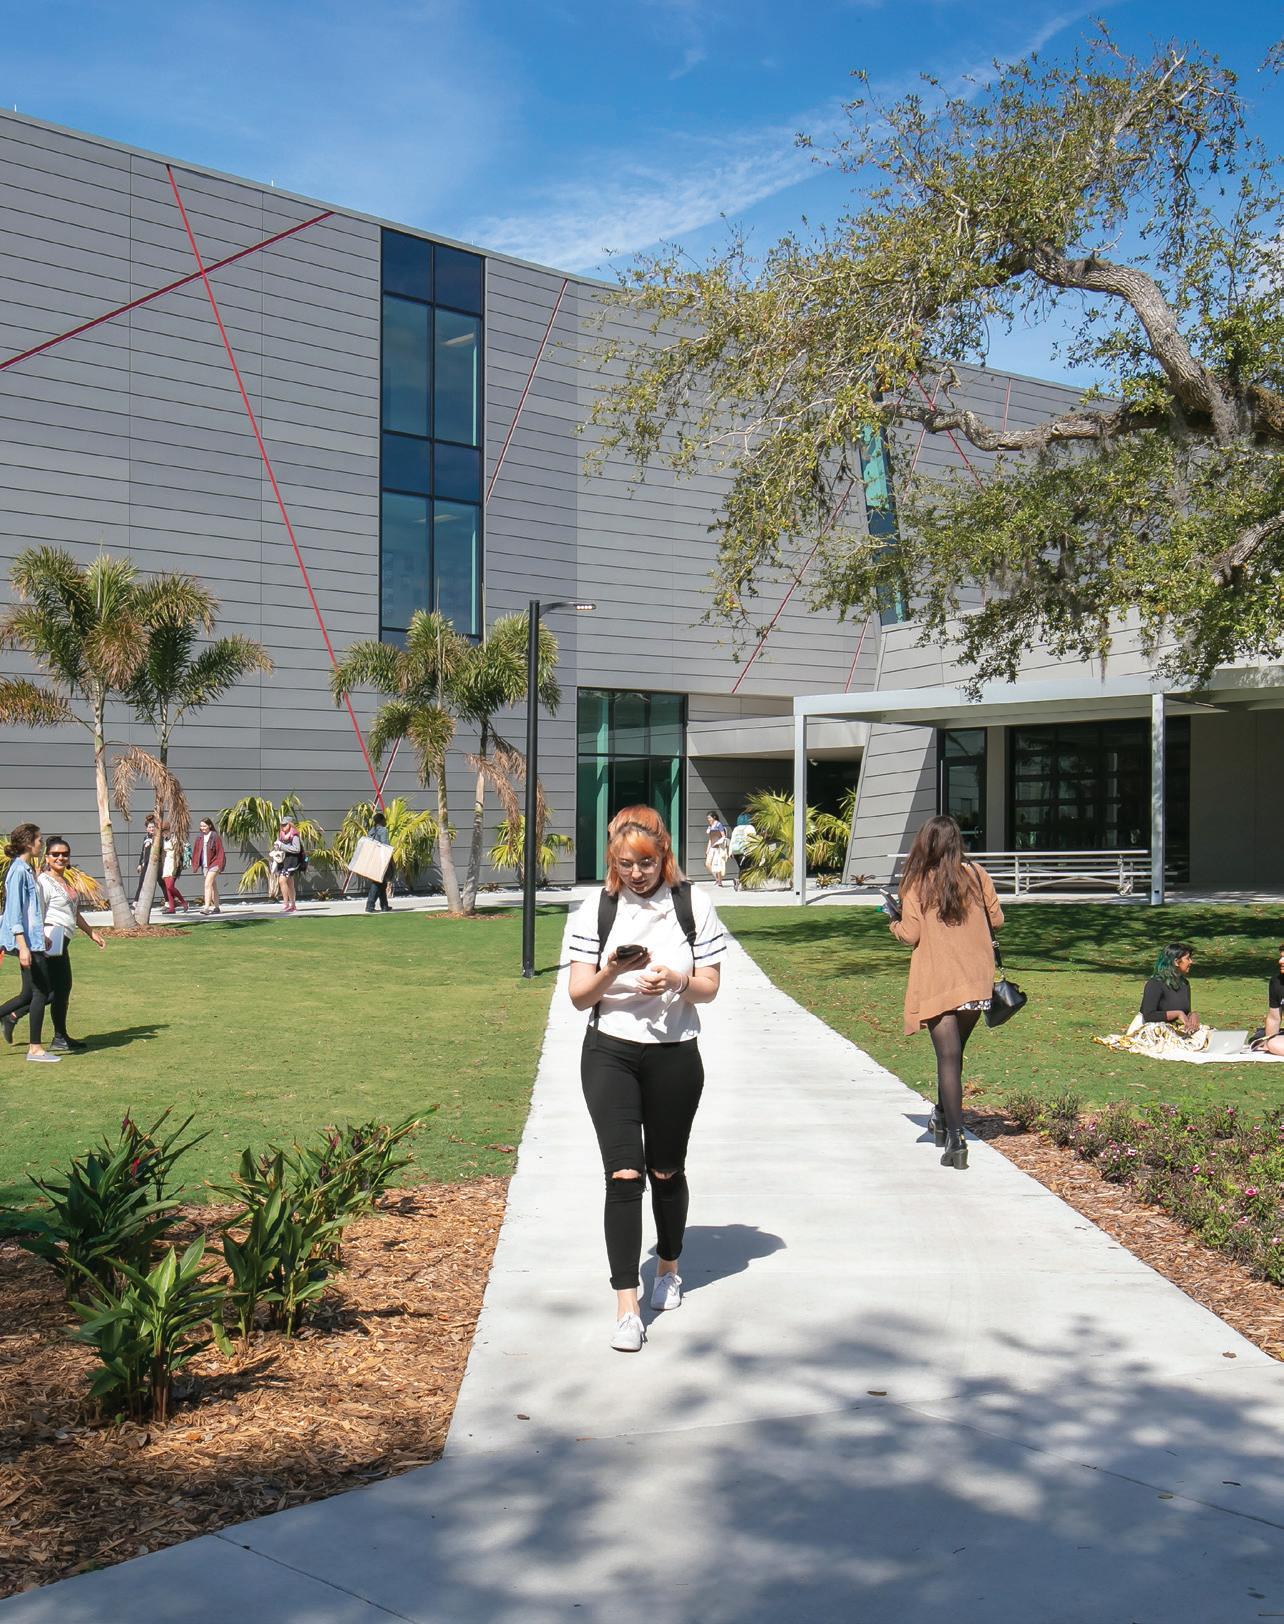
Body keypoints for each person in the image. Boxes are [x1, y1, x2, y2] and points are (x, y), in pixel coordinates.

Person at [567, 805, 727, 1353]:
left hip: (674, 1056)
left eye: (646, 863)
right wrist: (613, 969)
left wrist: (677, 979)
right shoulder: (596, 910)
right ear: (612, 861)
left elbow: (710, 986)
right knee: (623, 1175)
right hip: (609, 1052)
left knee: (665, 1170)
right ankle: (626, 1307)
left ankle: (669, 1266)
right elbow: (579, 996)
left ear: (664, 857)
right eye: (624, 864)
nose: (636, 874)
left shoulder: (692, 905)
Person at [887, 813, 1004, 1171]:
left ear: (926, 843)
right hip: (975, 980)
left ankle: (956, 1138)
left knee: (948, 1058)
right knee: (954, 1054)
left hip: (939, 980)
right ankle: (941, 1116)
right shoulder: (977, 874)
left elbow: (911, 934)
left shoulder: (916, 882)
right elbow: (997, 920)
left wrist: (892, 921)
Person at [35, 836, 105, 1052]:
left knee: (60, 988)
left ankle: (60, 1036)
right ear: (47, 857)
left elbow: (74, 913)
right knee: (48, 990)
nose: (60, 857)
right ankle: (12, 1016)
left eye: (65, 854)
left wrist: (91, 933)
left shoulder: (66, 880)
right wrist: (41, 936)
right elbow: (38, 912)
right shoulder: (43, 882)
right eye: (55, 854)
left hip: (62, 941)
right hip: (50, 940)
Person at [0, 824, 58, 1063]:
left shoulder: (26, 869)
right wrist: (23, 946)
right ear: (28, 842)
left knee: (29, 994)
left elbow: (30, 912)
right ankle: (35, 1049)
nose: (41, 844)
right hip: (26, 944)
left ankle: (9, 1017)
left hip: (33, 941)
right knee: (42, 992)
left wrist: (40, 934)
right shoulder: (18, 871)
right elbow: (14, 913)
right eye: (39, 839)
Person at [1139, 944, 1200, 1035]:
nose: (1191, 962)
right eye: (1188, 958)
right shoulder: (1154, 984)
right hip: (1154, 1031)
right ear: (1176, 962)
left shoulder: (1185, 984)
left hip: (1176, 1029)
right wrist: (1177, 1013)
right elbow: (1148, 1015)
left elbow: (1185, 1012)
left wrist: (1193, 1015)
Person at [192, 818, 226, 915]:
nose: (202, 828)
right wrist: (195, 863)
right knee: (213, 885)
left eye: (204, 826)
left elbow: (220, 851)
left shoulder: (214, 836)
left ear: (209, 826)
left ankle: (206, 907)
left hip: (214, 864)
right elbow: (196, 852)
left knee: (207, 884)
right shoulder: (199, 837)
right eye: (201, 826)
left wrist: (220, 864)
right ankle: (217, 907)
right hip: (205, 865)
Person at [365, 811, 393, 913]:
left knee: (382, 882)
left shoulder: (371, 831)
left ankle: (384, 906)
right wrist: (390, 859)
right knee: (377, 882)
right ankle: (369, 906)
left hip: (373, 858)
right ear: (381, 820)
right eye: (385, 820)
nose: (386, 822)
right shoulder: (383, 830)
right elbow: (385, 846)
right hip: (381, 859)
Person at [273, 819, 304, 914]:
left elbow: (297, 849)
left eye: (285, 825)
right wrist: (277, 846)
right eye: (282, 825)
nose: (283, 827)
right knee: (290, 883)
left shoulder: (294, 835)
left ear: (290, 824)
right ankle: (293, 905)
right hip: (283, 861)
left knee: (282, 880)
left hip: (291, 862)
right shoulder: (281, 835)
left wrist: (282, 846)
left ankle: (286, 903)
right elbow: (280, 846)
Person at [160, 824, 189, 914]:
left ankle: (183, 901)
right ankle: (172, 908)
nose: (163, 834)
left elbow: (179, 853)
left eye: (165, 831)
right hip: (167, 862)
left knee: (170, 886)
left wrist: (177, 867)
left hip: (174, 863)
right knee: (168, 888)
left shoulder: (175, 838)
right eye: (162, 832)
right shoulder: (164, 839)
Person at [134, 815, 159, 904]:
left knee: (162, 883)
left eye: (153, 827)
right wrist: (140, 864)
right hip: (145, 863)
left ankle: (168, 901)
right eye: (150, 827)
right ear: (147, 829)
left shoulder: (158, 838)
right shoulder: (146, 838)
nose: (152, 829)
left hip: (155, 864)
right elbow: (143, 852)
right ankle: (136, 902)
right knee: (141, 882)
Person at [727, 812, 756, 890]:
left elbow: (732, 840)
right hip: (746, 850)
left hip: (736, 851)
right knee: (746, 867)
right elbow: (753, 839)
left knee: (742, 867)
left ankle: (744, 884)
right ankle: (739, 881)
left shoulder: (736, 828)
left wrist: (730, 852)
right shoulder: (750, 828)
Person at [703, 812, 729, 888]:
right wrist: (707, 849)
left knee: (718, 864)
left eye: (709, 818)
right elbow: (710, 839)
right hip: (712, 847)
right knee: (707, 863)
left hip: (718, 847)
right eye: (708, 818)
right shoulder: (710, 826)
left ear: (714, 817)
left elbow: (723, 836)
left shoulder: (719, 825)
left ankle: (720, 881)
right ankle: (717, 878)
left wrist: (721, 844)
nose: (708, 819)